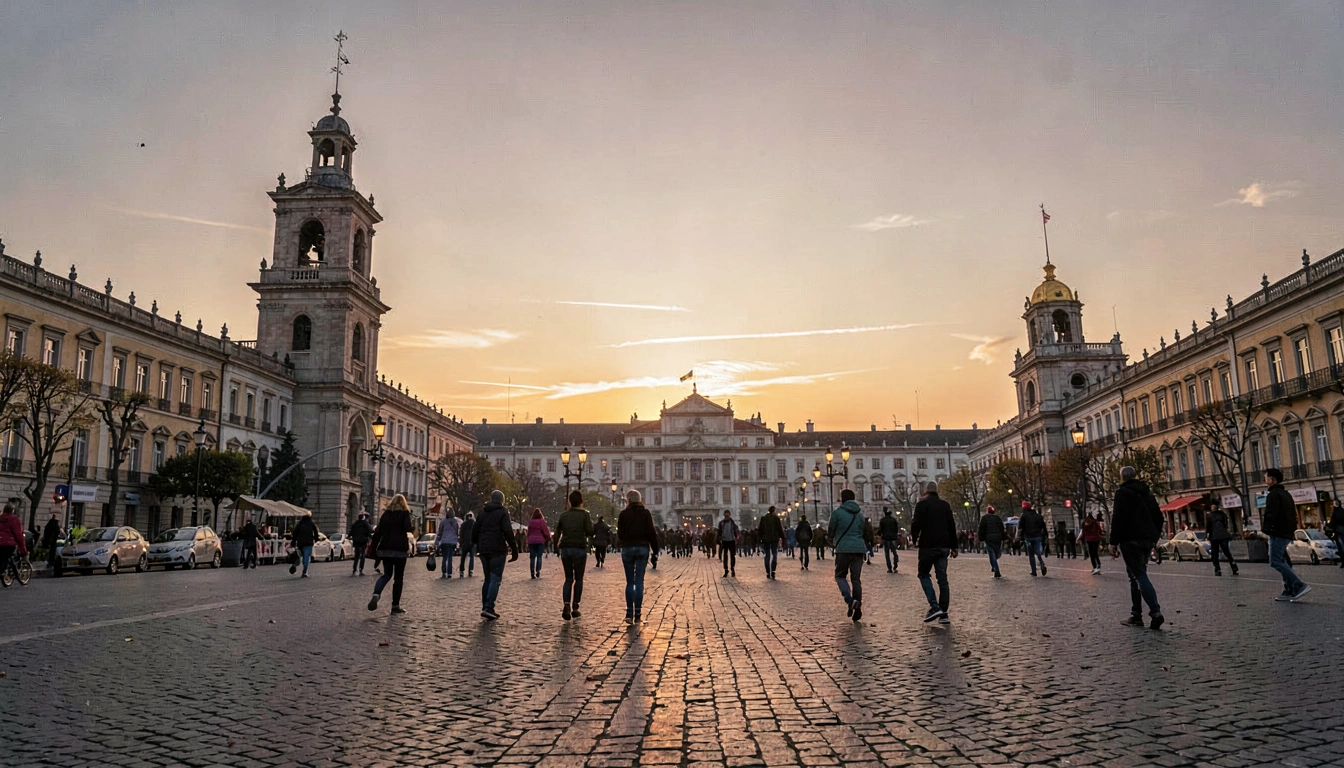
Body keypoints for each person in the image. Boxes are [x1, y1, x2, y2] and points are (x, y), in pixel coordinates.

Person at [1111, 466, 1166, 629]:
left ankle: (1155, 611)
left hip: (1130, 540)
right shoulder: (1146, 492)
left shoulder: (1122, 493)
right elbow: (1159, 517)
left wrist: (1113, 542)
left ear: (1122, 477)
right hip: (1146, 539)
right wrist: (1153, 537)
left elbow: (1118, 518)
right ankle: (1136, 615)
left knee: (1139, 575)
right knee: (1135, 575)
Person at [912, 482, 958, 623]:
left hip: (928, 545)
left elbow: (916, 524)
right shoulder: (945, 505)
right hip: (944, 545)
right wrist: (954, 546)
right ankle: (943, 613)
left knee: (923, 574)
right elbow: (951, 526)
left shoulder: (922, 505)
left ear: (926, 491)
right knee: (942, 578)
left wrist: (914, 538)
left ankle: (934, 606)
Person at [1264, 467, 1310, 602]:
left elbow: (1271, 514)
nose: (1265, 479)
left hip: (1277, 531)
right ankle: (1289, 589)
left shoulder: (1273, 495)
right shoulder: (1286, 494)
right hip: (1286, 532)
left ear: (1272, 480)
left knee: (1275, 561)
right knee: (1283, 561)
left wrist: (1266, 529)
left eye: (1266, 477)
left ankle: (1297, 585)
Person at [472, 491, 520, 620]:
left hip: (484, 549)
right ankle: (489, 607)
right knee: (495, 578)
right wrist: (514, 549)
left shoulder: (483, 512)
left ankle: (485, 607)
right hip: (497, 548)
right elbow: (507, 531)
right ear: (501, 500)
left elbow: (475, 529)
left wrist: (477, 543)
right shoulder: (502, 512)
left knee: (487, 579)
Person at [367, 494, 414, 615]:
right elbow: (408, 528)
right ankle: (395, 606)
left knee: (386, 575)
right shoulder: (404, 514)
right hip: (400, 550)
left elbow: (378, 532)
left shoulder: (386, 514)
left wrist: (374, 549)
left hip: (385, 548)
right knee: (398, 578)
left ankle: (376, 594)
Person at [827, 490, 871, 622]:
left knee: (840, 576)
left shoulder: (837, 513)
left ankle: (850, 600)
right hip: (858, 549)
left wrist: (830, 540)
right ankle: (857, 607)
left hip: (843, 549)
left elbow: (831, 531)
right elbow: (865, 532)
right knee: (856, 579)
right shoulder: (860, 514)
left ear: (842, 499)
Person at [617, 490, 659, 624]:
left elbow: (620, 534)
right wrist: (655, 550)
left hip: (628, 548)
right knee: (639, 581)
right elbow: (651, 532)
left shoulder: (623, 514)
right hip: (642, 548)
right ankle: (638, 614)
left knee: (630, 582)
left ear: (628, 500)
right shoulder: (646, 513)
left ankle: (629, 614)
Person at [554, 491, 594, 621]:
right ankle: (575, 606)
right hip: (579, 548)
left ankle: (566, 604)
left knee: (568, 578)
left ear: (569, 502)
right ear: (581, 501)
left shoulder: (564, 515)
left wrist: (556, 547)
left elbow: (557, 532)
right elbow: (589, 531)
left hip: (566, 548)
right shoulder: (584, 514)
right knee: (579, 578)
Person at [1204, 507, 1237, 577]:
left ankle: (1217, 569)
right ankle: (1233, 565)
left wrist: (1207, 535)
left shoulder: (1210, 515)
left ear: (1212, 507)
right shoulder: (1222, 514)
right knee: (1227, 552)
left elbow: (1208, 527)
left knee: (1215, 553)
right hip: (1224, 535)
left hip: (1215, 536)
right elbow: (1226, 525)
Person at [1018, 501, 1048, 576]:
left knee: (1031, 554)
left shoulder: (1023, 516)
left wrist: (1021, 537)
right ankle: (1041, 562)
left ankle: (1034, 571)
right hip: (1037, 536)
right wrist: (1046, 536)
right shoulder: (1038, 516)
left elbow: (1020, 527)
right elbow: (1043, 526)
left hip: (1028, 538)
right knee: (1038, 551)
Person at [976, 504, 1005, 578]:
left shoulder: (984, 518)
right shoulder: (997, 518)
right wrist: (1002, 537)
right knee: (996, 554)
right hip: (998, 538)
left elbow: (981, 528)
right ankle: (995, 566)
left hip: (989, 538)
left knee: (991, 554)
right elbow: (1001, 528)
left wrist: (981, 538)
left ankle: (996, 569)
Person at [289, 510, 320, 578]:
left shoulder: (300, 524)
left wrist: (293, 542)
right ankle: (304, 572)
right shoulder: (311, 524)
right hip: (309, 543)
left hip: (300, 543)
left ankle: (295, 565)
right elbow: (316, 532)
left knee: (299, 556)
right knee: (306, 558)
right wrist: (316, 539)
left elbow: (295, 534)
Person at [757, 505, 784, 579]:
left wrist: (759, 539)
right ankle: (773, 570)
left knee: (767, 555)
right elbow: (780, 528)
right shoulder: (776, 518)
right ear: (774, 510)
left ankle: (768, 572)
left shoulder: (763, 518)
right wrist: (783, 537)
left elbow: (760, 529)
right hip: (774, 539)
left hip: (766, 539)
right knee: (774, 553)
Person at [0, 502, 27, 576]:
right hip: (9, 543)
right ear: (12, 510)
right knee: (8, 555)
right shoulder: (14, 519)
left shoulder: (0, 518)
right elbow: (18, 535)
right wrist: (24, 551)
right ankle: (3, 571)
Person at [435, 509, 460, 579]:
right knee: (450, 557)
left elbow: (440, 532)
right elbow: (457, 532)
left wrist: (437, 541)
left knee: (445, 557)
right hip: (452, 542)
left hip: (444, 541)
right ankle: (449, 573)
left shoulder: (443, 521)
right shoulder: (455, 522)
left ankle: (444, 572)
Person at [526, 508, 551, 579]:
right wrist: (548, 538)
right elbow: (545, 530)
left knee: (532, 557)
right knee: (539, 556)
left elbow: (528, 532)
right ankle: (538, 571)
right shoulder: (541, 521)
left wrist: (527, 540)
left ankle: (532, 572)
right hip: (540, 541)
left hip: (531, 541)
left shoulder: (531, 522)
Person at [348, 511, 373, 576]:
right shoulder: (365, 523)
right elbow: (370, 530)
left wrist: (350, 536)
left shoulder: (355, 524)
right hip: (363, 541)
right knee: (363, 555)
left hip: (356, 541)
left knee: (357, 555)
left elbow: (351, 532)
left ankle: (354, 568)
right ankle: (361, 569)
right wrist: (369, 536)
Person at [878, 507, 901, 574]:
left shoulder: (882, 520)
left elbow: (880, 530)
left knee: (887, 554)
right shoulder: (893, 520)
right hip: (893, 538)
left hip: (886, 538)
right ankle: (895, 565)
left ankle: (889, 568)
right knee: (894, 552)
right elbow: (896, 529)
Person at [717, 510, 739, 577]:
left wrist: (736, 538)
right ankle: (726, 569)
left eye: (727, 515)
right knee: (725, 556)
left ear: (729, 515)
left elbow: (736, 532)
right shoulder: (721, 523)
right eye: (725, 515)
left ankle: (732, 568)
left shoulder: (733, 523)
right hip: (724, 541)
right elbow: (719, 533)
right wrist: (719, 540)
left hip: (732, 540)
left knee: (732, 555)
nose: (726, 517)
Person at [458, 511, 476, 577]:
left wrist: (461, 543)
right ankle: (471, 570)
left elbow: (461, 533)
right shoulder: (474, 523)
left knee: (463, 557)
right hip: (472, 542)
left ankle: (461, 571)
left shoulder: (464, 524)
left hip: (465, 542)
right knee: (472, 557)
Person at [1329, 499, 1344, 569]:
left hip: (1338, 532)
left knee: (1341, 548)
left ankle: (1343, 562)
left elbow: (1332, 523)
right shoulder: (1342, 511)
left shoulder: (1334, 513)